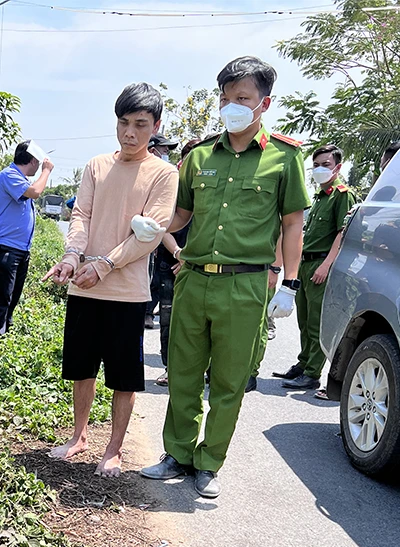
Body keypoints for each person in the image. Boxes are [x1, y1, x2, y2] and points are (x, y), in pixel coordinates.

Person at [135, 56, 311, 499]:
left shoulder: (284, 159)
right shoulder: (197, 156)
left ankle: (210, 461)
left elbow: (293, 225)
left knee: (229, 380)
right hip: (193, 279)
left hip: (245, 284)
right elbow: (181, 214)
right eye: (226, 97)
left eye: (243, 98)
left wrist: (289, 283)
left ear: (264, 103)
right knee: (184, 373)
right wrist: (156, 227)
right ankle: (177, 453)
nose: (231, 105)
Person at [42, 82, 179, 477]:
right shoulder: (97, 165)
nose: (130, 133)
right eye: (123, 123)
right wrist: (71, 256)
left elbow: (149, 234)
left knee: (123, 376)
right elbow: (81, 215)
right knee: (81, 368)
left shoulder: (163, 174)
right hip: (83, 286)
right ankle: (78, 436)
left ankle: (114, 449)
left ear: (155, 126)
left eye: (140, 124)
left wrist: (103, 265)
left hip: (126, 293)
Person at [273, 144, 358, 391]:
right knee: (303, 318)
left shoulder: (342, 195)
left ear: (338, 167)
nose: (320, 169)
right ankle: (303, 363)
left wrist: (326, 265)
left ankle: (312, 373)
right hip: (306, 264)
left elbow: (344, 233)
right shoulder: (319, 197)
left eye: (326, 165)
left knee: (316, 322)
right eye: (317, 165)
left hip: (322, 265)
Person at [0, 141, 53, 335]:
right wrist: (47, 171)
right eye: (38, 162)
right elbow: (35, 192)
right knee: (4, 293)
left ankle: (6, 331)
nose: (39, 165)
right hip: (6, 245)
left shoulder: (20, 179)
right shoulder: (9, 175)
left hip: (20, 248)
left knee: (14, 293)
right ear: (32, 160)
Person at [153, 137, 201, 386]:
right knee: (169, 319)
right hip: (170, 261)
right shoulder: (170, 183)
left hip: (200, 265)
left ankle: (199, 369)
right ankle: (170, 368)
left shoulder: (211, 185)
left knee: (198, 322)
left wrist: (190, 259)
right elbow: (160, 224)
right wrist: (179, 254)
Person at [145, 134, 180, 329]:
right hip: (141, 242)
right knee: (152, 280)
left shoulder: (166, 177)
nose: (166, 154)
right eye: (164, 150)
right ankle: (145, 312)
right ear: (152, 150)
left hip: (158, 242)